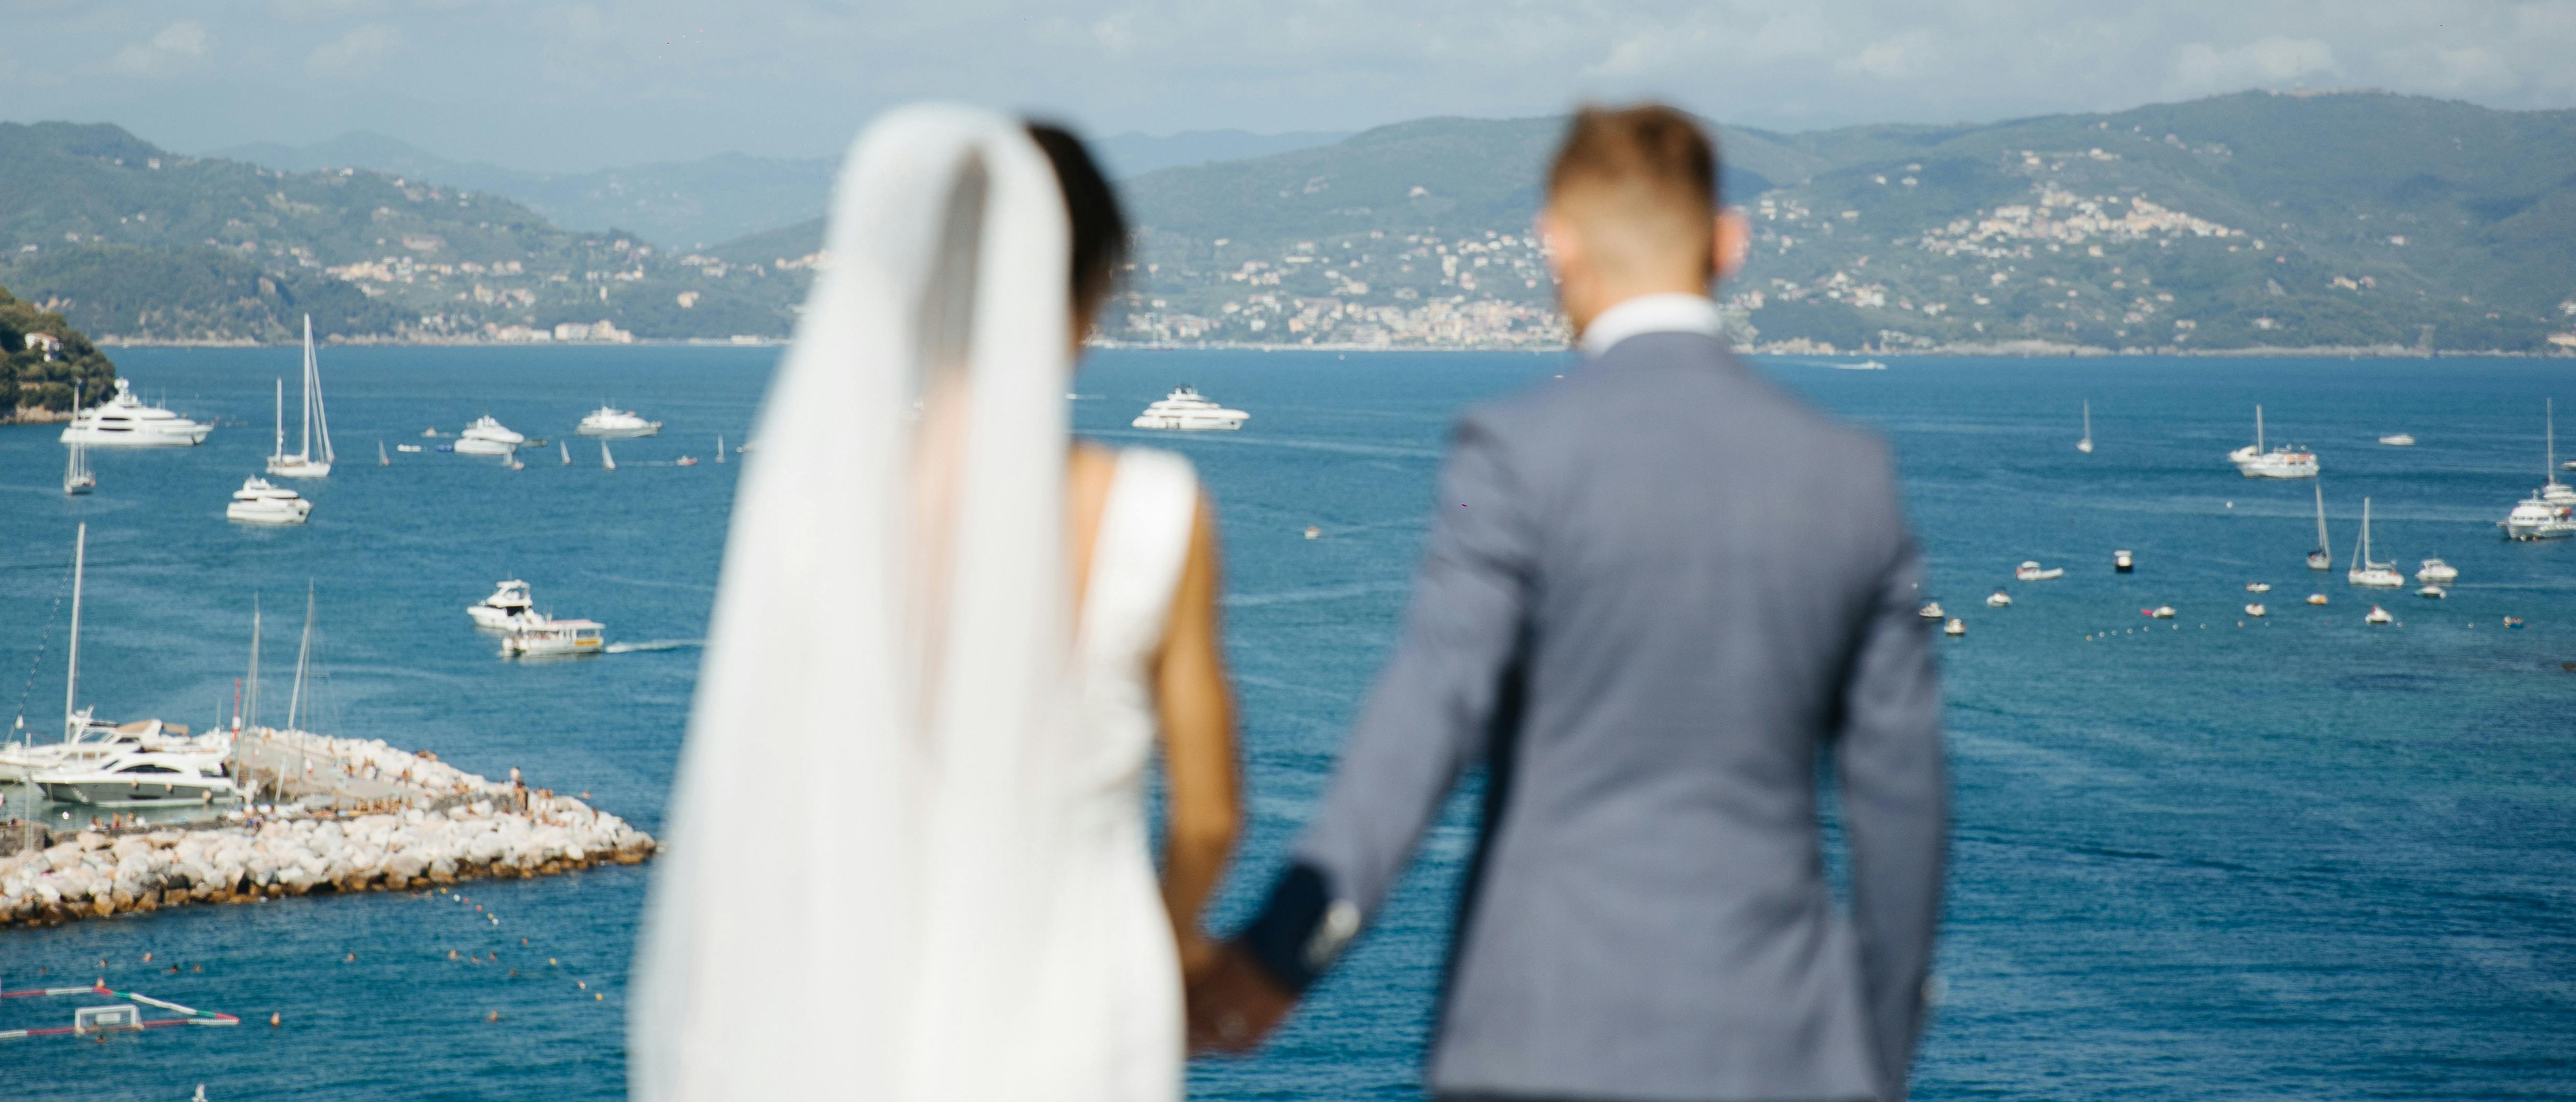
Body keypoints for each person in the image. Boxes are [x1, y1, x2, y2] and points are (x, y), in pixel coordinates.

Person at [1191, 103, 1947, 1102]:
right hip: (1784, 1054)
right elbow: (1905, 812)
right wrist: (1873, 1059)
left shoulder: (1517, 455)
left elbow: (1424, 724)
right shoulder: (1852, 476)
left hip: (1542, 1044)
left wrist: (1277, 959)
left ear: (1555, 244)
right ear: (1730, 243)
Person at [632, 105, 1239, 1101]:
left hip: (867, 1023)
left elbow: (763, 811)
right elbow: (1209, 821)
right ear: (1094, 289)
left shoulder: (817, 520)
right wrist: (1165, 947)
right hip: (1086, 1021)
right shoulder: (1152, 513)